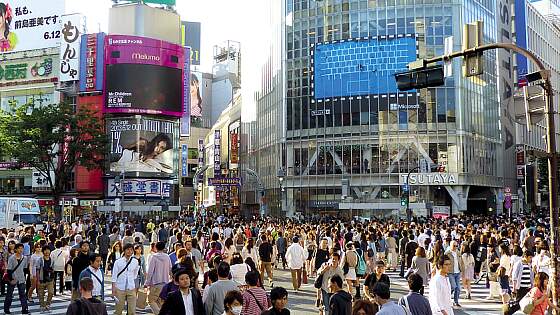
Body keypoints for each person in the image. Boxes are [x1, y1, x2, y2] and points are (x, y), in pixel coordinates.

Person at [111, 243, 140, 315]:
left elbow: (135, 275)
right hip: (120, 288)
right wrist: (113, 289)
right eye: (127, 249)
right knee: (118, 310)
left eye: (131, 250)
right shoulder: (118, 262)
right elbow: (114, 277)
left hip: (131, 288)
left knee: (132, 311)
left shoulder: (135, 261)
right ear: (124, 250)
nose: (129, 251)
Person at [145, 241, 172, 314]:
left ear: (156, 247)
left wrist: (147, 283)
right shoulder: (167, 257)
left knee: (150, 301)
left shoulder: (153, 257)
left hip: (155, 283)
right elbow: (170, 269)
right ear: (164, 248)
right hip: (165, 283)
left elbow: (150, 271)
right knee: (160, 302)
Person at [3, 243, 29, 314]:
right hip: (13, 278)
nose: (21, 250)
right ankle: (6, 309)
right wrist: (11, 279)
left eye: (22, 248)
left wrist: (25, 278)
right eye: (19, 248)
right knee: (9, 295)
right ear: (16, 249)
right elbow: (9, 270)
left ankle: (24, 309)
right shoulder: (12, 258)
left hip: (21, 278)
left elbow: (25, 269)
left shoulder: (24, 258)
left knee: (23, 295)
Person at [444, 240, 464, 307]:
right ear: (450, 246)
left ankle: (456, 301)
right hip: (450, 272)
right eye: (454, 246)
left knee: (458, 288)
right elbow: (443, 262)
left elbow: (461, 262)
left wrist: (462, 270)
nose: (455, 247)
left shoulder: (458, 252)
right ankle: (446, 298)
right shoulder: (447, 253)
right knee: (453, 286)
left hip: (457, 272)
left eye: (456, 246)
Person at [36, 245, 55, 313]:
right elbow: (37, 270)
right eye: (45, 250)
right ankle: (42, 306)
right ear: (43, 251)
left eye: (48, 250)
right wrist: (37, 280)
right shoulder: (40, 260)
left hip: (50, 279)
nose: (47, 251)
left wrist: (53, 279)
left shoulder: (52, 259)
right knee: (41, 294)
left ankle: (47, 305)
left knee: (51, 292)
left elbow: (53, 269)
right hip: (42, 279)